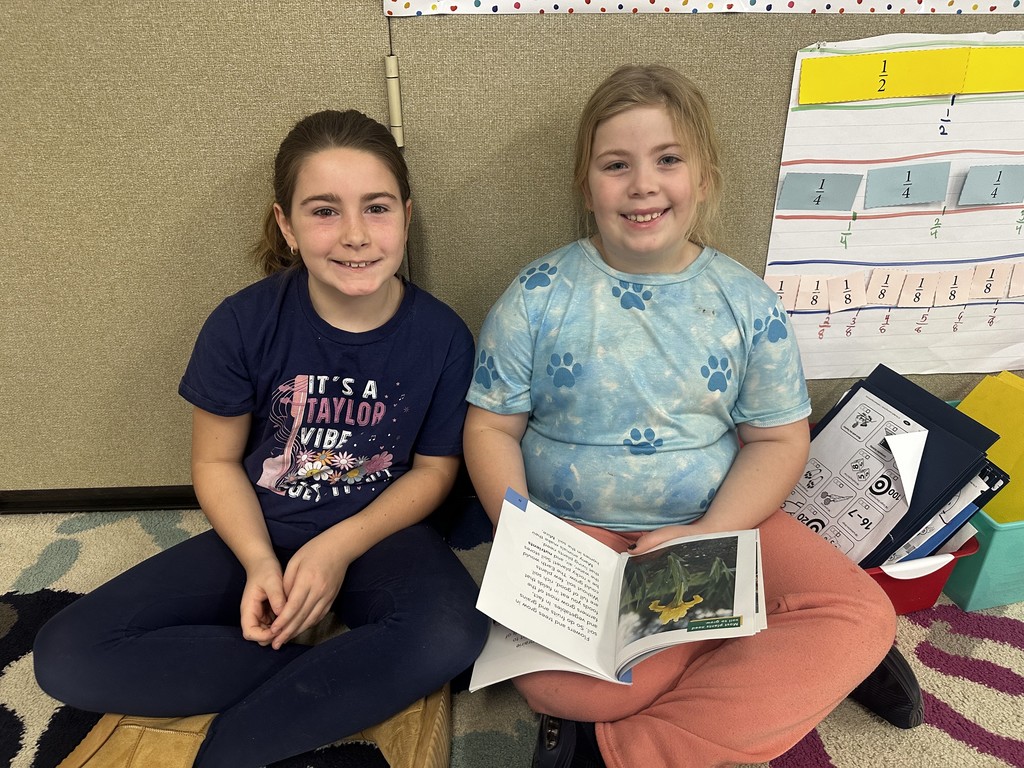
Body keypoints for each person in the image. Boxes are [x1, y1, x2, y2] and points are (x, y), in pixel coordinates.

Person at [464, 64, 907, 768]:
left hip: (720, 522)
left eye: (668, 160)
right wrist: (525, 535)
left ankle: (631, 750)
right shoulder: (537, 295)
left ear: (703, 179)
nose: (643, 184)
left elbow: (776, 439)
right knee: (565, 689)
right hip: (579, 537)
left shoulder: (745, 302)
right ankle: (761, 656)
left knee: (862, 617)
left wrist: (706, 536)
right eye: (617, 165)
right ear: (586, 183)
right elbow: (491, 428)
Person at [34, 109, 489, 768]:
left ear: (406, 216)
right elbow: (216, 462)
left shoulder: (442, 336)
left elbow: (435, 471)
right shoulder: (242, 323)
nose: (356, 234)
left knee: (454, 631)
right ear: (287, 224)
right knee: (66, 656)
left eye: (377, 207)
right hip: (263, 529)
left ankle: (235, 748)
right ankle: (342, 673)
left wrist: (336, 549)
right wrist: (257, 563)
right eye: (324, 211)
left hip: (380, 537)